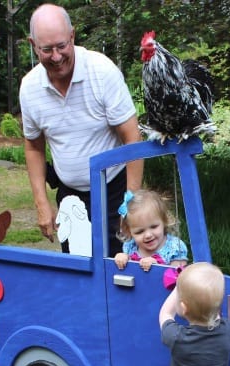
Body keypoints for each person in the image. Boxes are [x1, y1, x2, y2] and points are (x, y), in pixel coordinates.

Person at [20, 3, 143, 256]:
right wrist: (41, 202)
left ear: (73, 36)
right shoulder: (29, 88)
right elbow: (33, 145)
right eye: (46, 49)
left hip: (114, 189)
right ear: (33, 45)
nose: (56, 56)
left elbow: (132, 137)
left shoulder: (102, 71)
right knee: (79, 270)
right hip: (70, 196)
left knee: (120, 267)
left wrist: (131, 203)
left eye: (62, 46)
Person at [114, 189, 188, 271]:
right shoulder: (131, 246)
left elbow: (179, 277)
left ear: (164, 221)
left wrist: (157, 268)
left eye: (154, 227)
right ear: (129, 232)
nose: (148, 235)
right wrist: (122, 259)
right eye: (140, 232)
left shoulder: (174, 248)